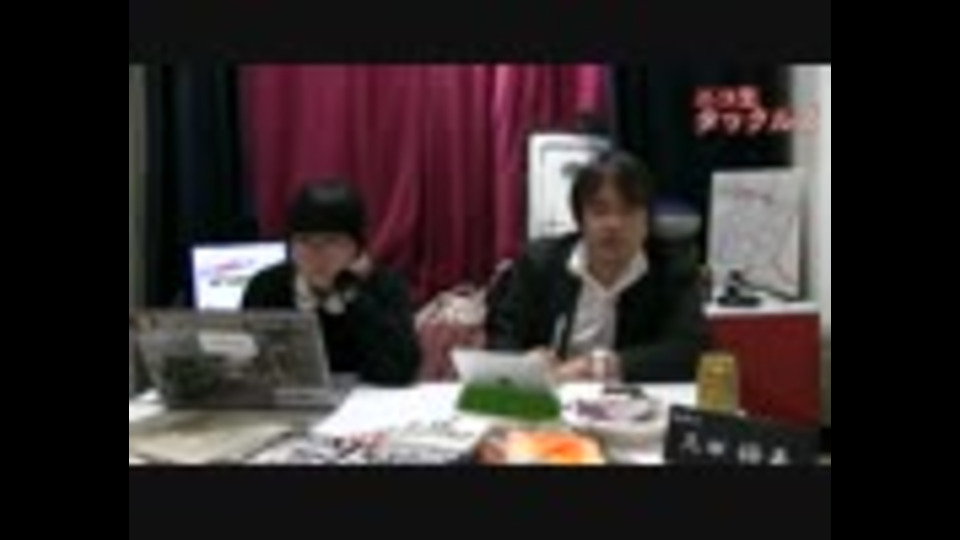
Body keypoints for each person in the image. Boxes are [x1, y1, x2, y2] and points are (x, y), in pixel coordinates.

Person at [486, 150, 708, 383]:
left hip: (631, 401)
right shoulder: (540, 264)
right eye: (600, 211)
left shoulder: (672, 270)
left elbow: (691, 351)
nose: (613, 224)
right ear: (580, 219)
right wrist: (525, 362)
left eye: (628, 211)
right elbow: (501, 337)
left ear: (647, 221)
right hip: (552, 398)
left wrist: (603, 366)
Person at [242, 180, 422, 386]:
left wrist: (351, 293)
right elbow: (248, 366)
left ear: (357, 249)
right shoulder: (266, 287)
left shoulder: (384, 286)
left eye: (332, 241)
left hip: (365, 399)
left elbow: (401, 371)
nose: (317, 254)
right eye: (304, 241)